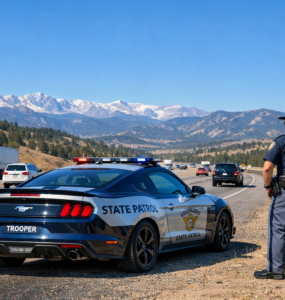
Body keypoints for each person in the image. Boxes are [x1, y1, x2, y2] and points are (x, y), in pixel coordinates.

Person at [254, 116, 285, 280]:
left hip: (284, 193)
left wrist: (268, 187)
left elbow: (267, 168)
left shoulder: (280, 142)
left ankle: (275, 268)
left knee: (278, 228)